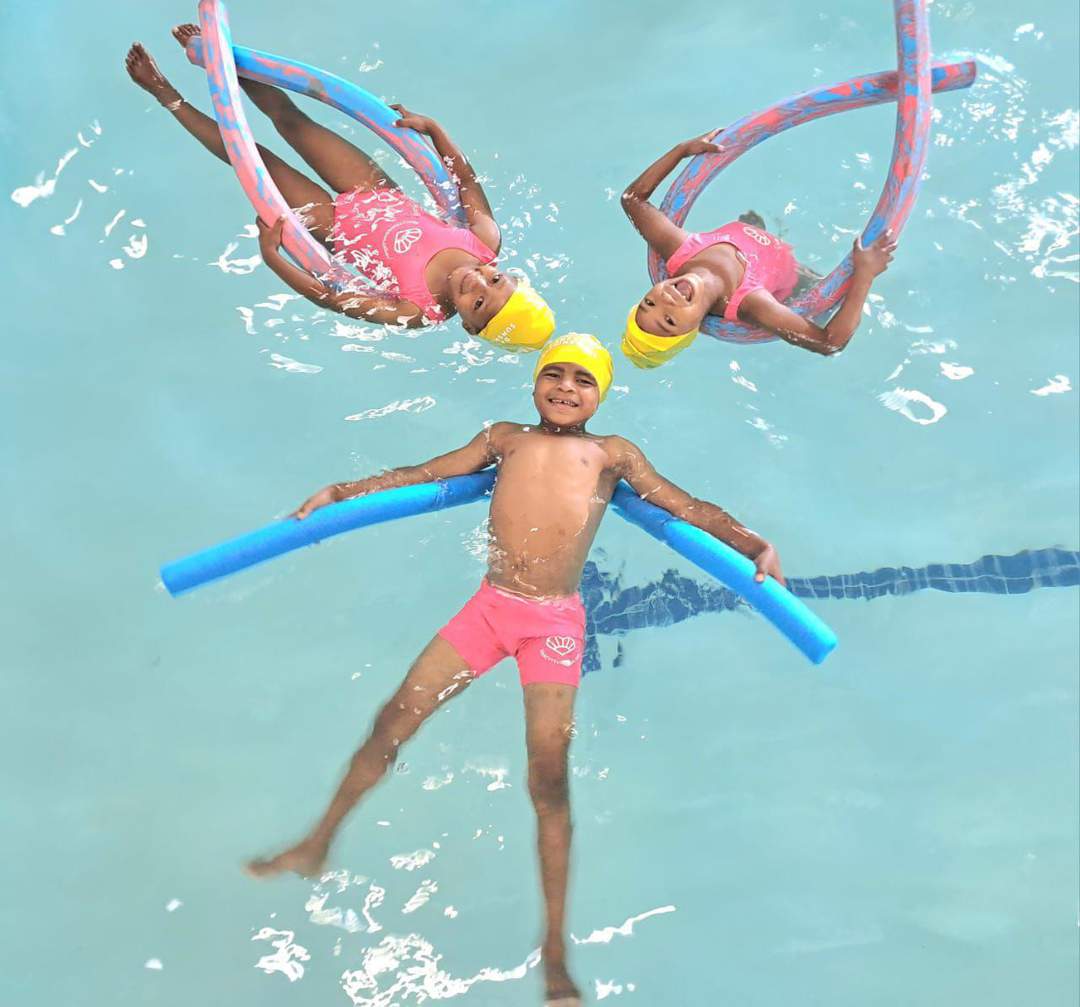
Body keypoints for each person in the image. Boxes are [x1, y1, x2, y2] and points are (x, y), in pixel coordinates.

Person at [245, 332, 785, 1005]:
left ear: (601, 394)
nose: (565, 388)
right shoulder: (505, 438)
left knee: (548, 777)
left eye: (582, 380)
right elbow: (425, 473)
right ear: (535, 383)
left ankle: (554, 949)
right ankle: (315, 844)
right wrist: (344, 491)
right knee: (392, 721)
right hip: (491, 608)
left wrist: (752, 543)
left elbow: (686, 506)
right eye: (554, 375)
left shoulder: (612, 454)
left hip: (553, 624)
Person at [124, 26, 555, 346]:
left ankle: (165, 93)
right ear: (505, 272)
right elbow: (464, 182)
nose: (478, 283)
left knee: (254, 157)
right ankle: (220, 62)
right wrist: (435, 130)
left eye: (478, 304)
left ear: (469, 326)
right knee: (293, 122)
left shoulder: (417, 311)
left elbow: (332, 297)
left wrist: (273, 256)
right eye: (496, 281)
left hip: (333, 227)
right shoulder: (483, 241)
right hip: (372, 189)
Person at [620, 134, 898, 366]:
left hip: (757, 244)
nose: (666, 299)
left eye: (649, 302)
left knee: (750, 226)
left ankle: (753, 233)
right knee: (825, 294)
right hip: (793, 283)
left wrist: (682, 150)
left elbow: (631, 199)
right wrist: (865, 273)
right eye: (669, 320)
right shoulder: (751, 304)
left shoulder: (680, 250)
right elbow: (830, 343)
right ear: (692, 329)